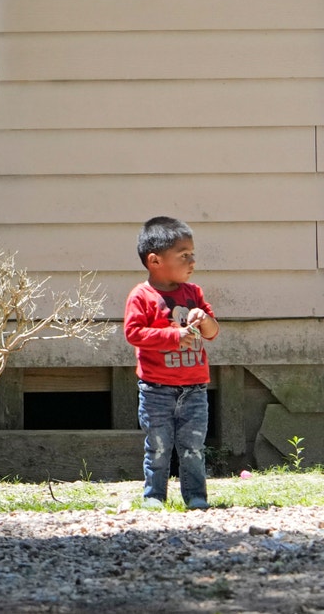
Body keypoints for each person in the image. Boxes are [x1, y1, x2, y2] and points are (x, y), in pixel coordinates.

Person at [124, 216, 220, 511]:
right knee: (158, 447)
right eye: (183, 255)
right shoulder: (142, 296)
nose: (192, 261)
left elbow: (213, 332)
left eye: (192, 254)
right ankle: (154, 495)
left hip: (194, 389)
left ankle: (195, 496)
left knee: (193, 447)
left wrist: (203, 320)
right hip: (156, 390)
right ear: (154, 260)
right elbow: (133, 332)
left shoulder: (194, 294)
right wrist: (173, 336)